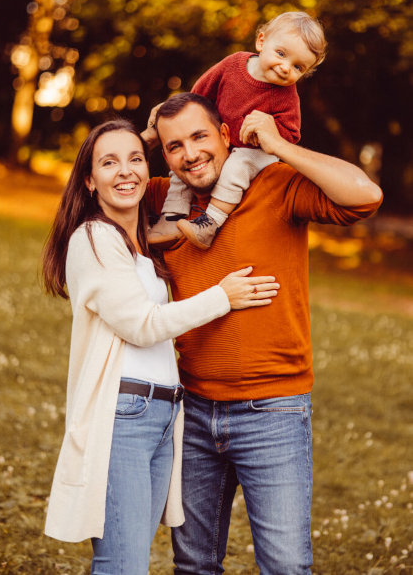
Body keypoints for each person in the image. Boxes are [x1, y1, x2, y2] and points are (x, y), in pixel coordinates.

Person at [143, 93, 383, 575]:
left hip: (273, 411)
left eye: (199, 137)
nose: (190, 154)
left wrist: (277, 144)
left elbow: (365, 195)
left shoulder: (274, 184)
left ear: (225, 136)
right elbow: (90, 187)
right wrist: (143, 137)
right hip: (190, 408)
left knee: (286, 566)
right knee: (192, 563)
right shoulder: (160, 200)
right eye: (174, 146)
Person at [41, 118, 279, 575]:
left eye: (135, 160)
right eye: (108, 163)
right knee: (124, 563)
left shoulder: (142, 246)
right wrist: (222, 298)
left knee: (129, 559)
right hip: (124, 416)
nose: (126, 171)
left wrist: (140, 142)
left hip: (163, 415)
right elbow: (142, 326)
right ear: (89, 181)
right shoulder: (93, 239)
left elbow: (164, 170)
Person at [148, 11, 327, 249]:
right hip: (222, 141)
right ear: (261, 42)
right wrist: (179, 115)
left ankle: (209, 224)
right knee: (188, 159)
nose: (286, 68)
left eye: (298, 67)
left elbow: (291, 135)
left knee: (238, 165)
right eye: (281, 54)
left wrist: (268, 130)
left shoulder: (286, 96)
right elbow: (199, 94)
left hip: (253, 152)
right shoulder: (233, 65)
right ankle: (172, 217)